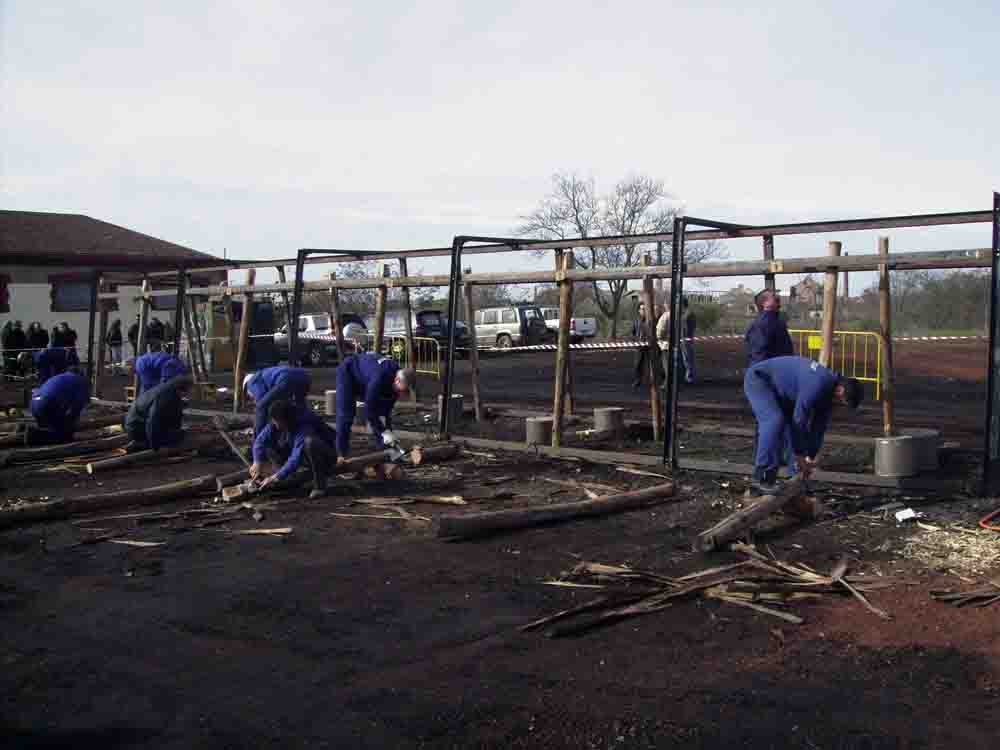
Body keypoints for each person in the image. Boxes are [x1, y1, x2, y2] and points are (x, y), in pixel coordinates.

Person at [744, 355, 862, 494]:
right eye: (842, 402)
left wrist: (809, 458)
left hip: (784, 394)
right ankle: (761, 478)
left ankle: (796, 480)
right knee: (774, 421)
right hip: (760, 380)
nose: (839, 407)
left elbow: (819, 427)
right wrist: (800, 454)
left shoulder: (829, 394)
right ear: (840, 391)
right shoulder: (818, 383)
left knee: (791, 432)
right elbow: (799, 418)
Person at [251, 399, 338, 499]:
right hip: (299, 450)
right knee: (269, 445)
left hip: (325, 455)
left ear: (286, 419)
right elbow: (260, 441)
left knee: (310, 443)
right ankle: (284, 475)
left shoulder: (304, 424)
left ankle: (320, 486)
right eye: (273, 421)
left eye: (277, 422)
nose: (275, 424)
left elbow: (296, 456)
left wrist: (276, 477)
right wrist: (257, 462)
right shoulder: (277, 422)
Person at [334, 353, 415, 458]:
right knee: (346, 415)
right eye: (401, 390)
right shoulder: (379, 378)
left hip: (365, 378)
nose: (400, 394)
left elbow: (385, 412)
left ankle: (386, 452)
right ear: (397, 380)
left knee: (380, 417)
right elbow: (369, 409)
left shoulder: (398, 380)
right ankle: (340, 454)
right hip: (348, 372)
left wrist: (388, 433)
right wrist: (383, 431)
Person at [124, 374, 191, 452]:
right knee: (178, 437)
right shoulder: (164, 396)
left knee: (179, 434)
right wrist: (154, 446)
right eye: (187, 392)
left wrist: (177, 431)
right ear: (180, 389)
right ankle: (142, 444)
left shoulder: (170, 391)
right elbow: (152, 421)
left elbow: (176, 415)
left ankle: (147, 442)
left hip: (140, 423)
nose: (186, 395)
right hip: (137, 428)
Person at [243, 365, 312, 436]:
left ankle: (258, 437)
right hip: (304, 377)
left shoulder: (252, 382)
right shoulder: (266, 376)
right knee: (299, 408)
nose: (251, 398)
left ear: (246, 388)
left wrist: (258, 427)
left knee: (261, 406)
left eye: (249, 396)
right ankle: (310, 429)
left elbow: (262, 401)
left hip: (286, 378)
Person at [26, 371, 90, 445]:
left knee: (48, 428)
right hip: (46, 405)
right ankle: (32, 436)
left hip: (34, 403)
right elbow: (75, 410)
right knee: (64, 435)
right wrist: (70, 426)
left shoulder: (63, 377)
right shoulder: (82, 384)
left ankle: (29, 432)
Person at [745, 289, 794, 367]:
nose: (777, 296)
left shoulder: (776, 320)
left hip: (780, 368)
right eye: (773, 296)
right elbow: (758, 353)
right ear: (765, 303)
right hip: (769, 371)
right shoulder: (761, 324)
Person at [632, 302, 660, 389]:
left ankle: (654, 381)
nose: (644, 311)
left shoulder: (651, 320)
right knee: (638, 364)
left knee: (652, 363)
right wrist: (636, 340)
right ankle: (638, 380)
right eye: (642, 309)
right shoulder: (636, 321)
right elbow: (633, 332)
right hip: (640, 345)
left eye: (645, 309)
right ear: (639, 310)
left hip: (650, 345)